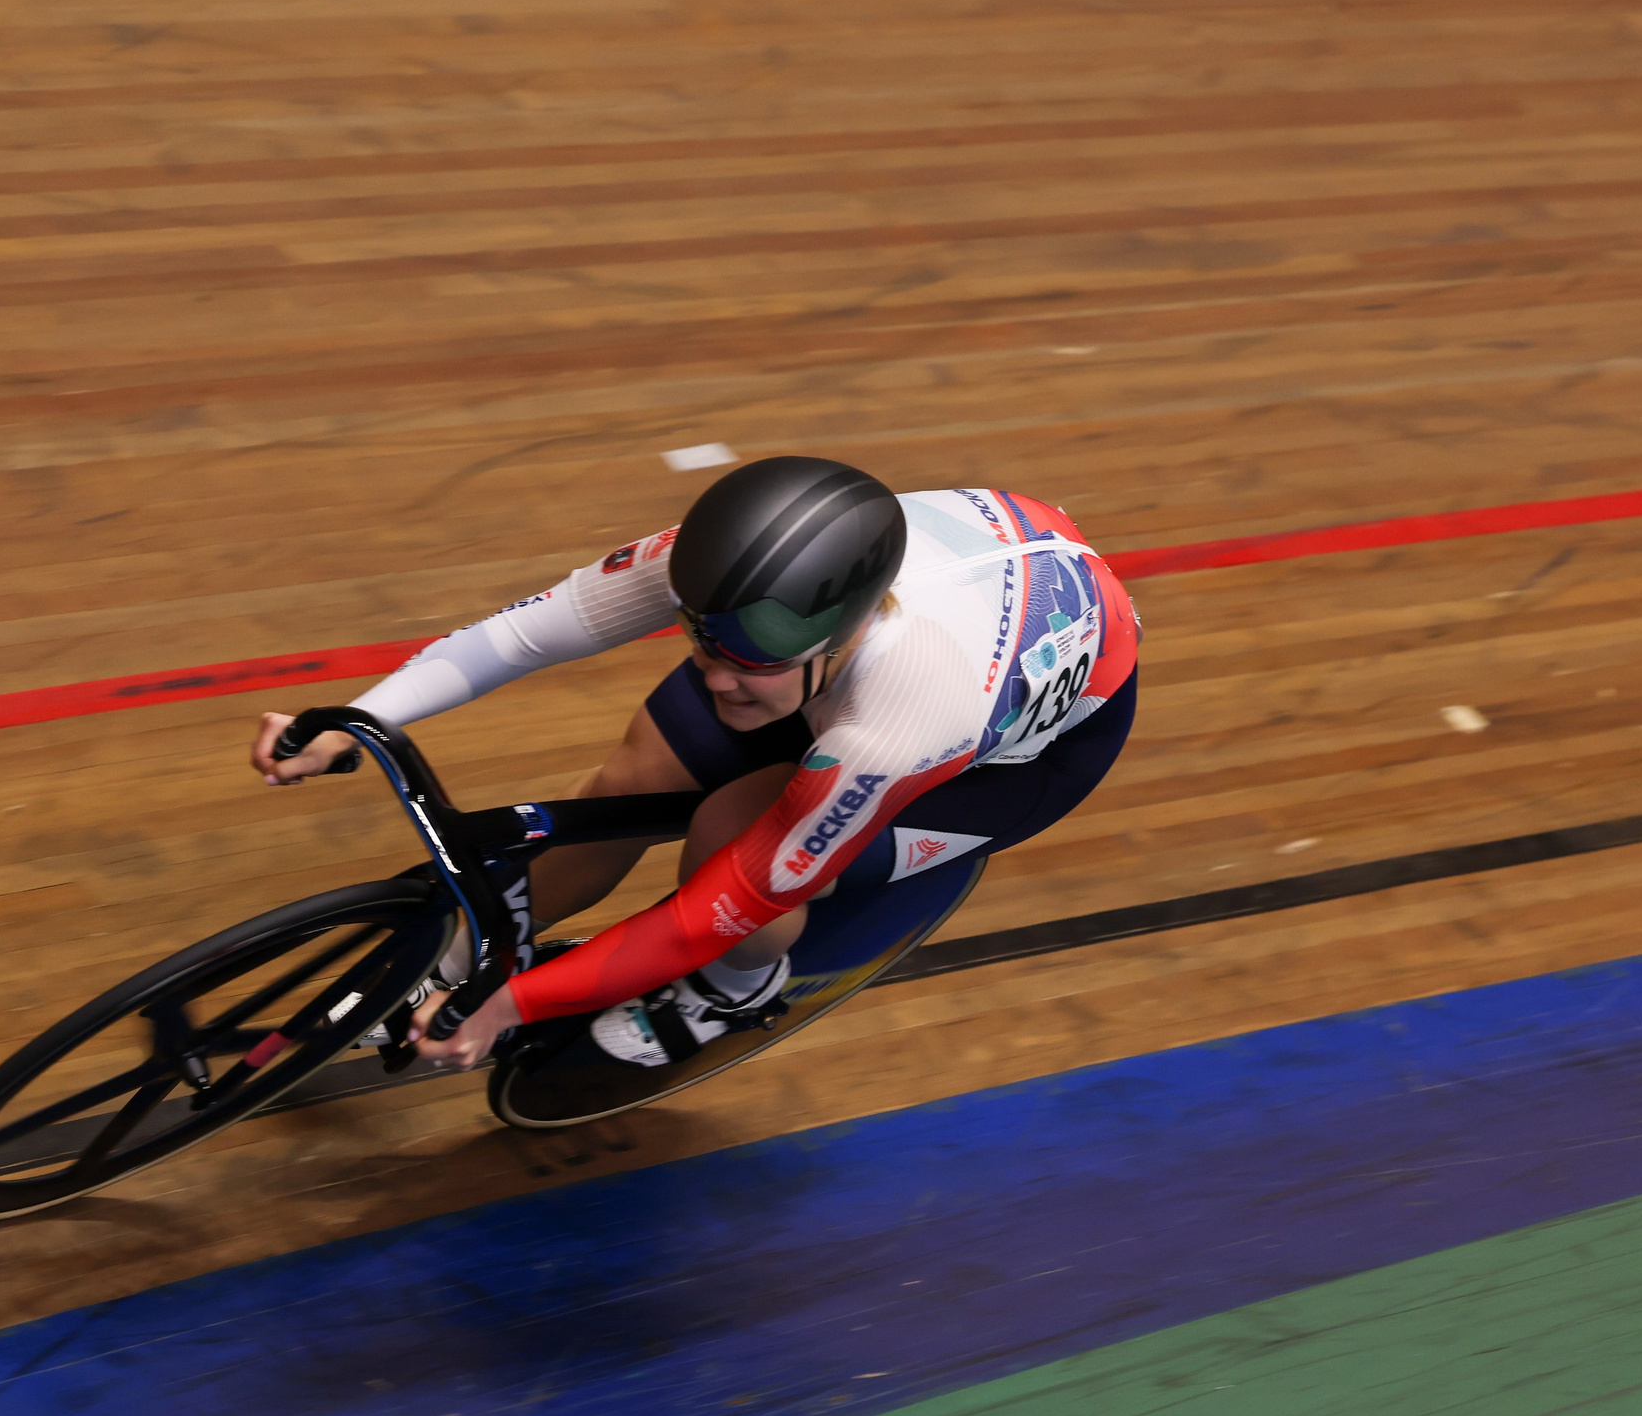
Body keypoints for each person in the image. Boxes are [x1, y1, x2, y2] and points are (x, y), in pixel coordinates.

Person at [249, 456, 1140, 1072]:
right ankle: (470, 953)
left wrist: (507, 1008)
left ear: (842, 633)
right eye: (700, 643)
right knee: (634, 776)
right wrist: (354, 719)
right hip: (880, 641)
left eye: (744, 663)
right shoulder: (738, 575)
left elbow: (719, 908)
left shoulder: (905, 715)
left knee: (728, 837)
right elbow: (523, 633)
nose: (714, 679)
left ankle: (737, 992)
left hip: (1022, 749)